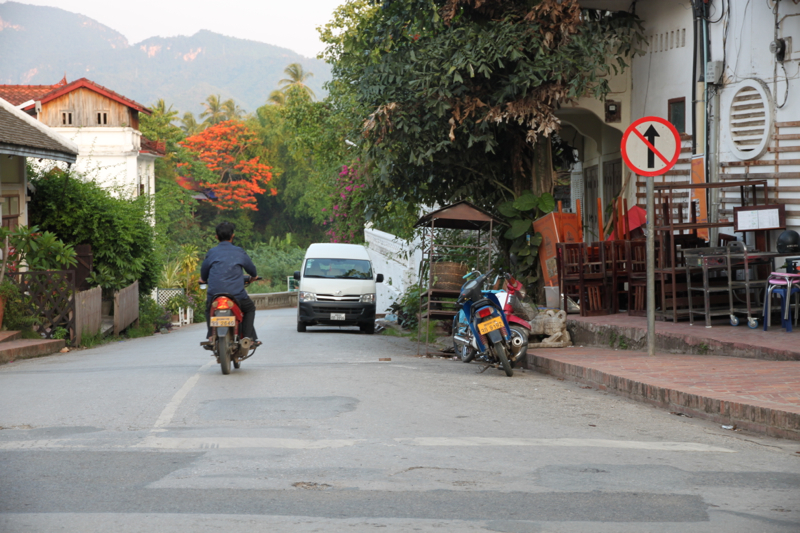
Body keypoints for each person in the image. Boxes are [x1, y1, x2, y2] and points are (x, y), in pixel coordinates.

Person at [199, 222, 260, 348]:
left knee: (209, 309)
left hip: (215, 296)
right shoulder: (239, 252)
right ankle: (248, 338)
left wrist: (203, 280)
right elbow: (252, 271)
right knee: (249, 309)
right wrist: (253, 277)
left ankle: (211, 336)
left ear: (216, 237)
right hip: (237, 296)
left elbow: (204, 274)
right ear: (233, 235)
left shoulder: (211, 253)